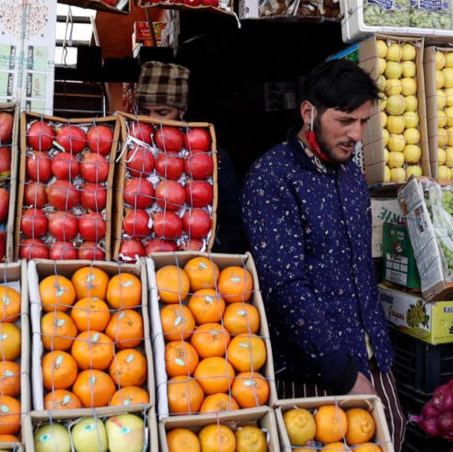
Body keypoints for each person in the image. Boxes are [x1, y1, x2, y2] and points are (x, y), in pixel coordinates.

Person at [241, 59, 405, 450]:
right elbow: (283, 286)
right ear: (309, 112)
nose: (356, 134)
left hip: (372, 355)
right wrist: (343, 372)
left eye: (363, 122)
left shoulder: (351, 173)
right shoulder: (271, 178)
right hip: (313, 367)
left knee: (392, 437)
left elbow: (359, 267)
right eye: (345, 120)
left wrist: (373, 355)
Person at [134, 60, 246, 253]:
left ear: (181, 111)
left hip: (195, 267)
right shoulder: (129, 153)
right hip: (135, 261)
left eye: (162, 112)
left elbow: (233, 223)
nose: (152, 120)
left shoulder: (211, 157)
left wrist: (213, 251)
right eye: (145, 112)